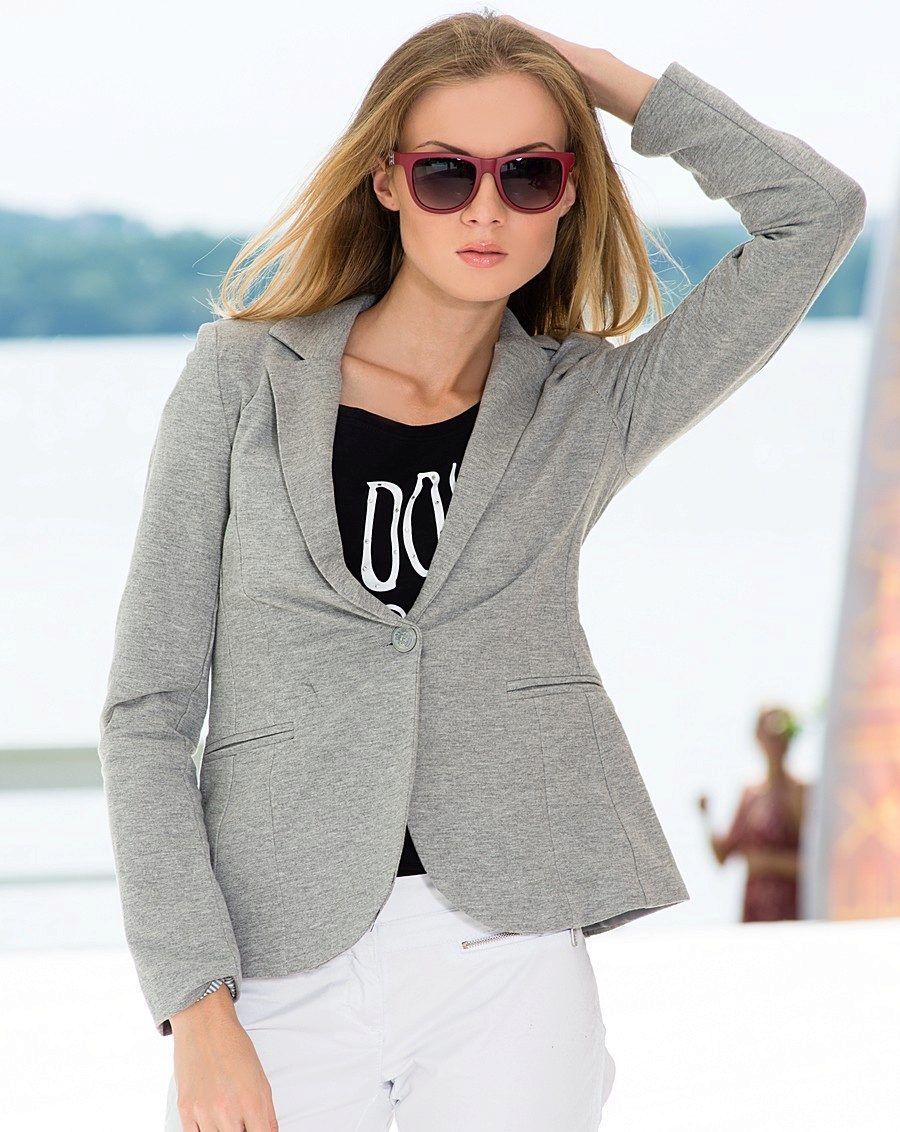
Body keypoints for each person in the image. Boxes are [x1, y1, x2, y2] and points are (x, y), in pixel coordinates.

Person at [95, 11, 866, 1132]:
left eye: (530, 172)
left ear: (569, 191)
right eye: (448, 173)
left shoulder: (585, 406)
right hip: (270, 958)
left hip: (506, 953)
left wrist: (605, 82)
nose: (488, 209)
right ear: (389, 182)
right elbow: (148, 712)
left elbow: (817, 213)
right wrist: (194, 999)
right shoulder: (241, 378)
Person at [702, 706, 808, 922]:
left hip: (790, 914)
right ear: (758, 737)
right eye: (769, 733)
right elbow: (723, 855)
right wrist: (706, 817)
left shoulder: (799, 792)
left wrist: (767, 863)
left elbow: (813, 864)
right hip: (754, 914)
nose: (776, 742)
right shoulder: (750, 795)